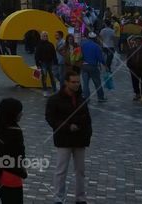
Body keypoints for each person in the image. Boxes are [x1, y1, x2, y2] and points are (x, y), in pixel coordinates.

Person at [45, 71, 92, 204]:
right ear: (66, 82)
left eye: (78, 82)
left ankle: (80, 198)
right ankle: (58, 198)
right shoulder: (55, 99)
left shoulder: (81, 98)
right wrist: (67, 126)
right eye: (74, 82)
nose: (77, 84)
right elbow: (51, 118)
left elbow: (86, 118)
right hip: (64, 139)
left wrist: (85, 132)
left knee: (80, 171)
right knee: (61, 170)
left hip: (80, 138)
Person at [0, 98, 27, 204]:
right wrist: (22, 171)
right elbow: (19, 156)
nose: (22, 114)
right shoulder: (15, 132)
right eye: (20, 111)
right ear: (13, 113)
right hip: (11, 176)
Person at [79, 32, 106, 102]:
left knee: (85, 83)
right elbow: (100, 58)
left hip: (84, 66)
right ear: (95, 38)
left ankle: (86, 98)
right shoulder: (96, 46)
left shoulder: (83, 45)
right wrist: (105, 64)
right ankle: (100, 98)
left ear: (88, 37)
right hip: (93, 67)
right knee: (97, 83)